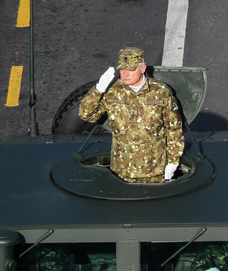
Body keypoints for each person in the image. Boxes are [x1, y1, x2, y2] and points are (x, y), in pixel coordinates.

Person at [79, 47, 184, 183]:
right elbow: (86, 115)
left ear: (142, 68)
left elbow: (174, 129)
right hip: (121, 172)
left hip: (153, 172)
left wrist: (173, 161)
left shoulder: (160, 92)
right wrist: (98, 90)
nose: (125, 74)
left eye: (130, 70)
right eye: (122, 70)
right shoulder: (113, 92)